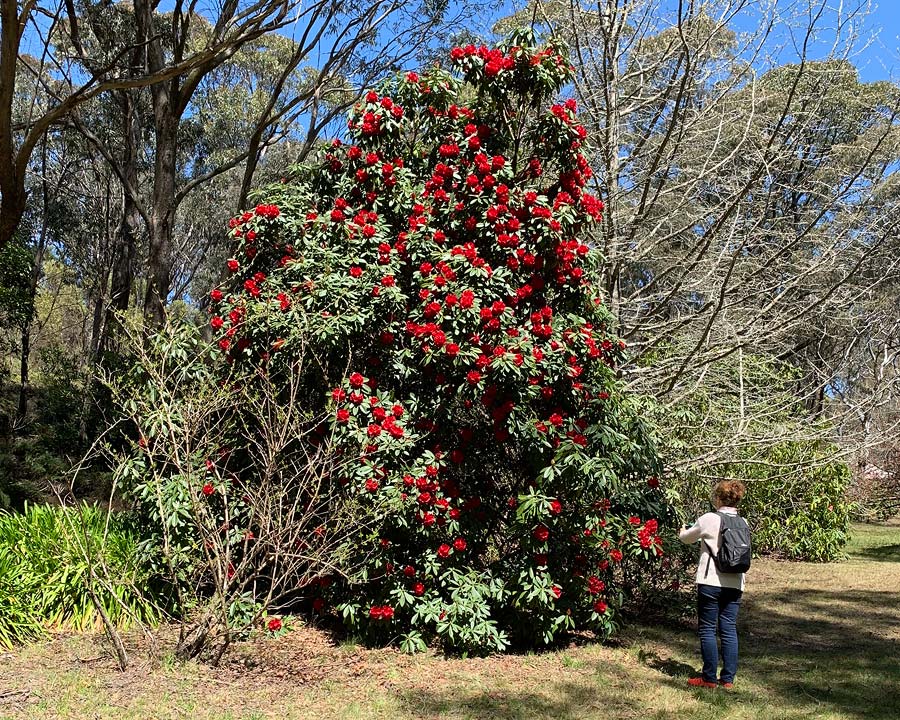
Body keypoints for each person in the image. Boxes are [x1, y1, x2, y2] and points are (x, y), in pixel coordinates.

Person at [678, 479, 747, 689]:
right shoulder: (744, 523)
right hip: (735, 582)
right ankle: (728, 680)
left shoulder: (709, 518)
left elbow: (687, 538)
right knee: (728, 629)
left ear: (718, 498)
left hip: (711, 581)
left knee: (708, 628)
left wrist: (681, 530)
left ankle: (708, 678)